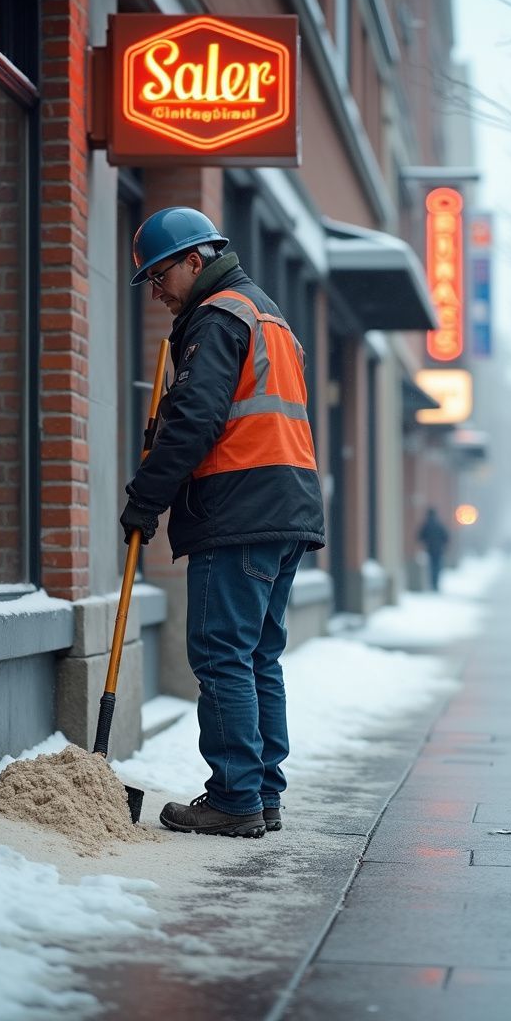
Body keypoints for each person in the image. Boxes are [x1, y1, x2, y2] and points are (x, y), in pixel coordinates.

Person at [119, 207, 325, 839]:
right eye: (149, 283)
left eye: (160, 276)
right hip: (285, 506)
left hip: (239, 507)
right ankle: (261, 795)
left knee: (221, 654)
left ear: (195, 259)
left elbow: (196, 422)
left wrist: (146, 499)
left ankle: (235, 798)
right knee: (258, 655)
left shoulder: (217, 317)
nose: (156, 292)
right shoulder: (267, 315)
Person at [417, 507, 449, 592]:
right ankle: (436, 584)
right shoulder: (439, 525)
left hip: (430, 549)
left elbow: (420, 536)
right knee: (437, 567)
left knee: (431, 567)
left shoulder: (426, 525)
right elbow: (446, 537)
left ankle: (432, 583)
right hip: (439, 550)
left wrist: (425, 543)